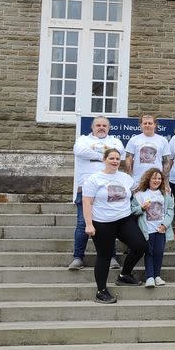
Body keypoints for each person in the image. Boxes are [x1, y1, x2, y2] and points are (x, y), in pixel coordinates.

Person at [82, 148, 147, 303]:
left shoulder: (125, 177)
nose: (115, 161)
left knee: (140, 246)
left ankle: (124, 275)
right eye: (111, 158)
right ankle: (101, 291)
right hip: (102, 222)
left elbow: (137, 191)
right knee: (104, 256)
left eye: (118, 159)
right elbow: (87, 202)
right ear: (104, 159)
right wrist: (89, 224)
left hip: (124, 219)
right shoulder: (94, 179)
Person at [70, 116, 124, 271]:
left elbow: (120, 153)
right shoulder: (83, 140)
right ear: (92, 127)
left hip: (108, 190)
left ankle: (112, 257)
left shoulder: (115, 141)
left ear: (109, 128)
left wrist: (95, 153)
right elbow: (80, 151)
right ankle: (78, 257)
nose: (101, 128)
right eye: (98, 125)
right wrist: (104, 156)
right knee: (82, 224)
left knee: (109, 223)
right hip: (86, 188)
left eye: (104, 125)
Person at [132, 168, 174, 288]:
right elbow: (132, 210)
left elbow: (170, 210)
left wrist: (164, 224)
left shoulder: (165, 194)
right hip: (147, 230)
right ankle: (149, 277)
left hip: (160, 229)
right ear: (148, 179)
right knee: (149, 253)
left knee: (159, 252)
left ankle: (157, 276)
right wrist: (142, 208)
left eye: (159, 178)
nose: (157, 180)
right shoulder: (140, 195)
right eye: (154, 178)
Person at [125, 114, 171, 186]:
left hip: (157, 181)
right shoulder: (133, 140)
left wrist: (165, 182)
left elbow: (166, 163)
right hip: (138, 181)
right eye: (145, 123)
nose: (147, 125)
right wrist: (129, 179)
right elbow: (128, 161)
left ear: (155, 125)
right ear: (141, 125)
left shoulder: (163, 140)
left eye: (150, 123)